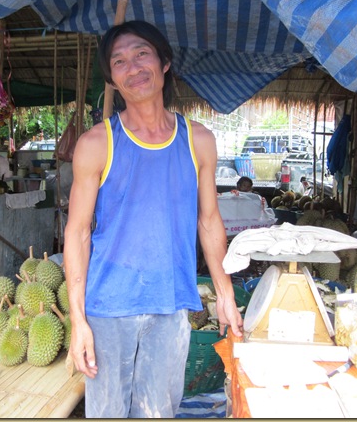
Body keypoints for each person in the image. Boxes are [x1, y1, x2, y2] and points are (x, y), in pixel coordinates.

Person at [63, 20, 243, 418]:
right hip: (108, 307)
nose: (133, 68)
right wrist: (79, 320)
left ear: (164, 62)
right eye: (119, 61)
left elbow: (209, 221)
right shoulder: (96, 144)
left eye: (142, 54)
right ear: (112, 78)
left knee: (159, 412)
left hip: (170, 304)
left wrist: (225, 294)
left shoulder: (198, 140)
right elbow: (77, 233)